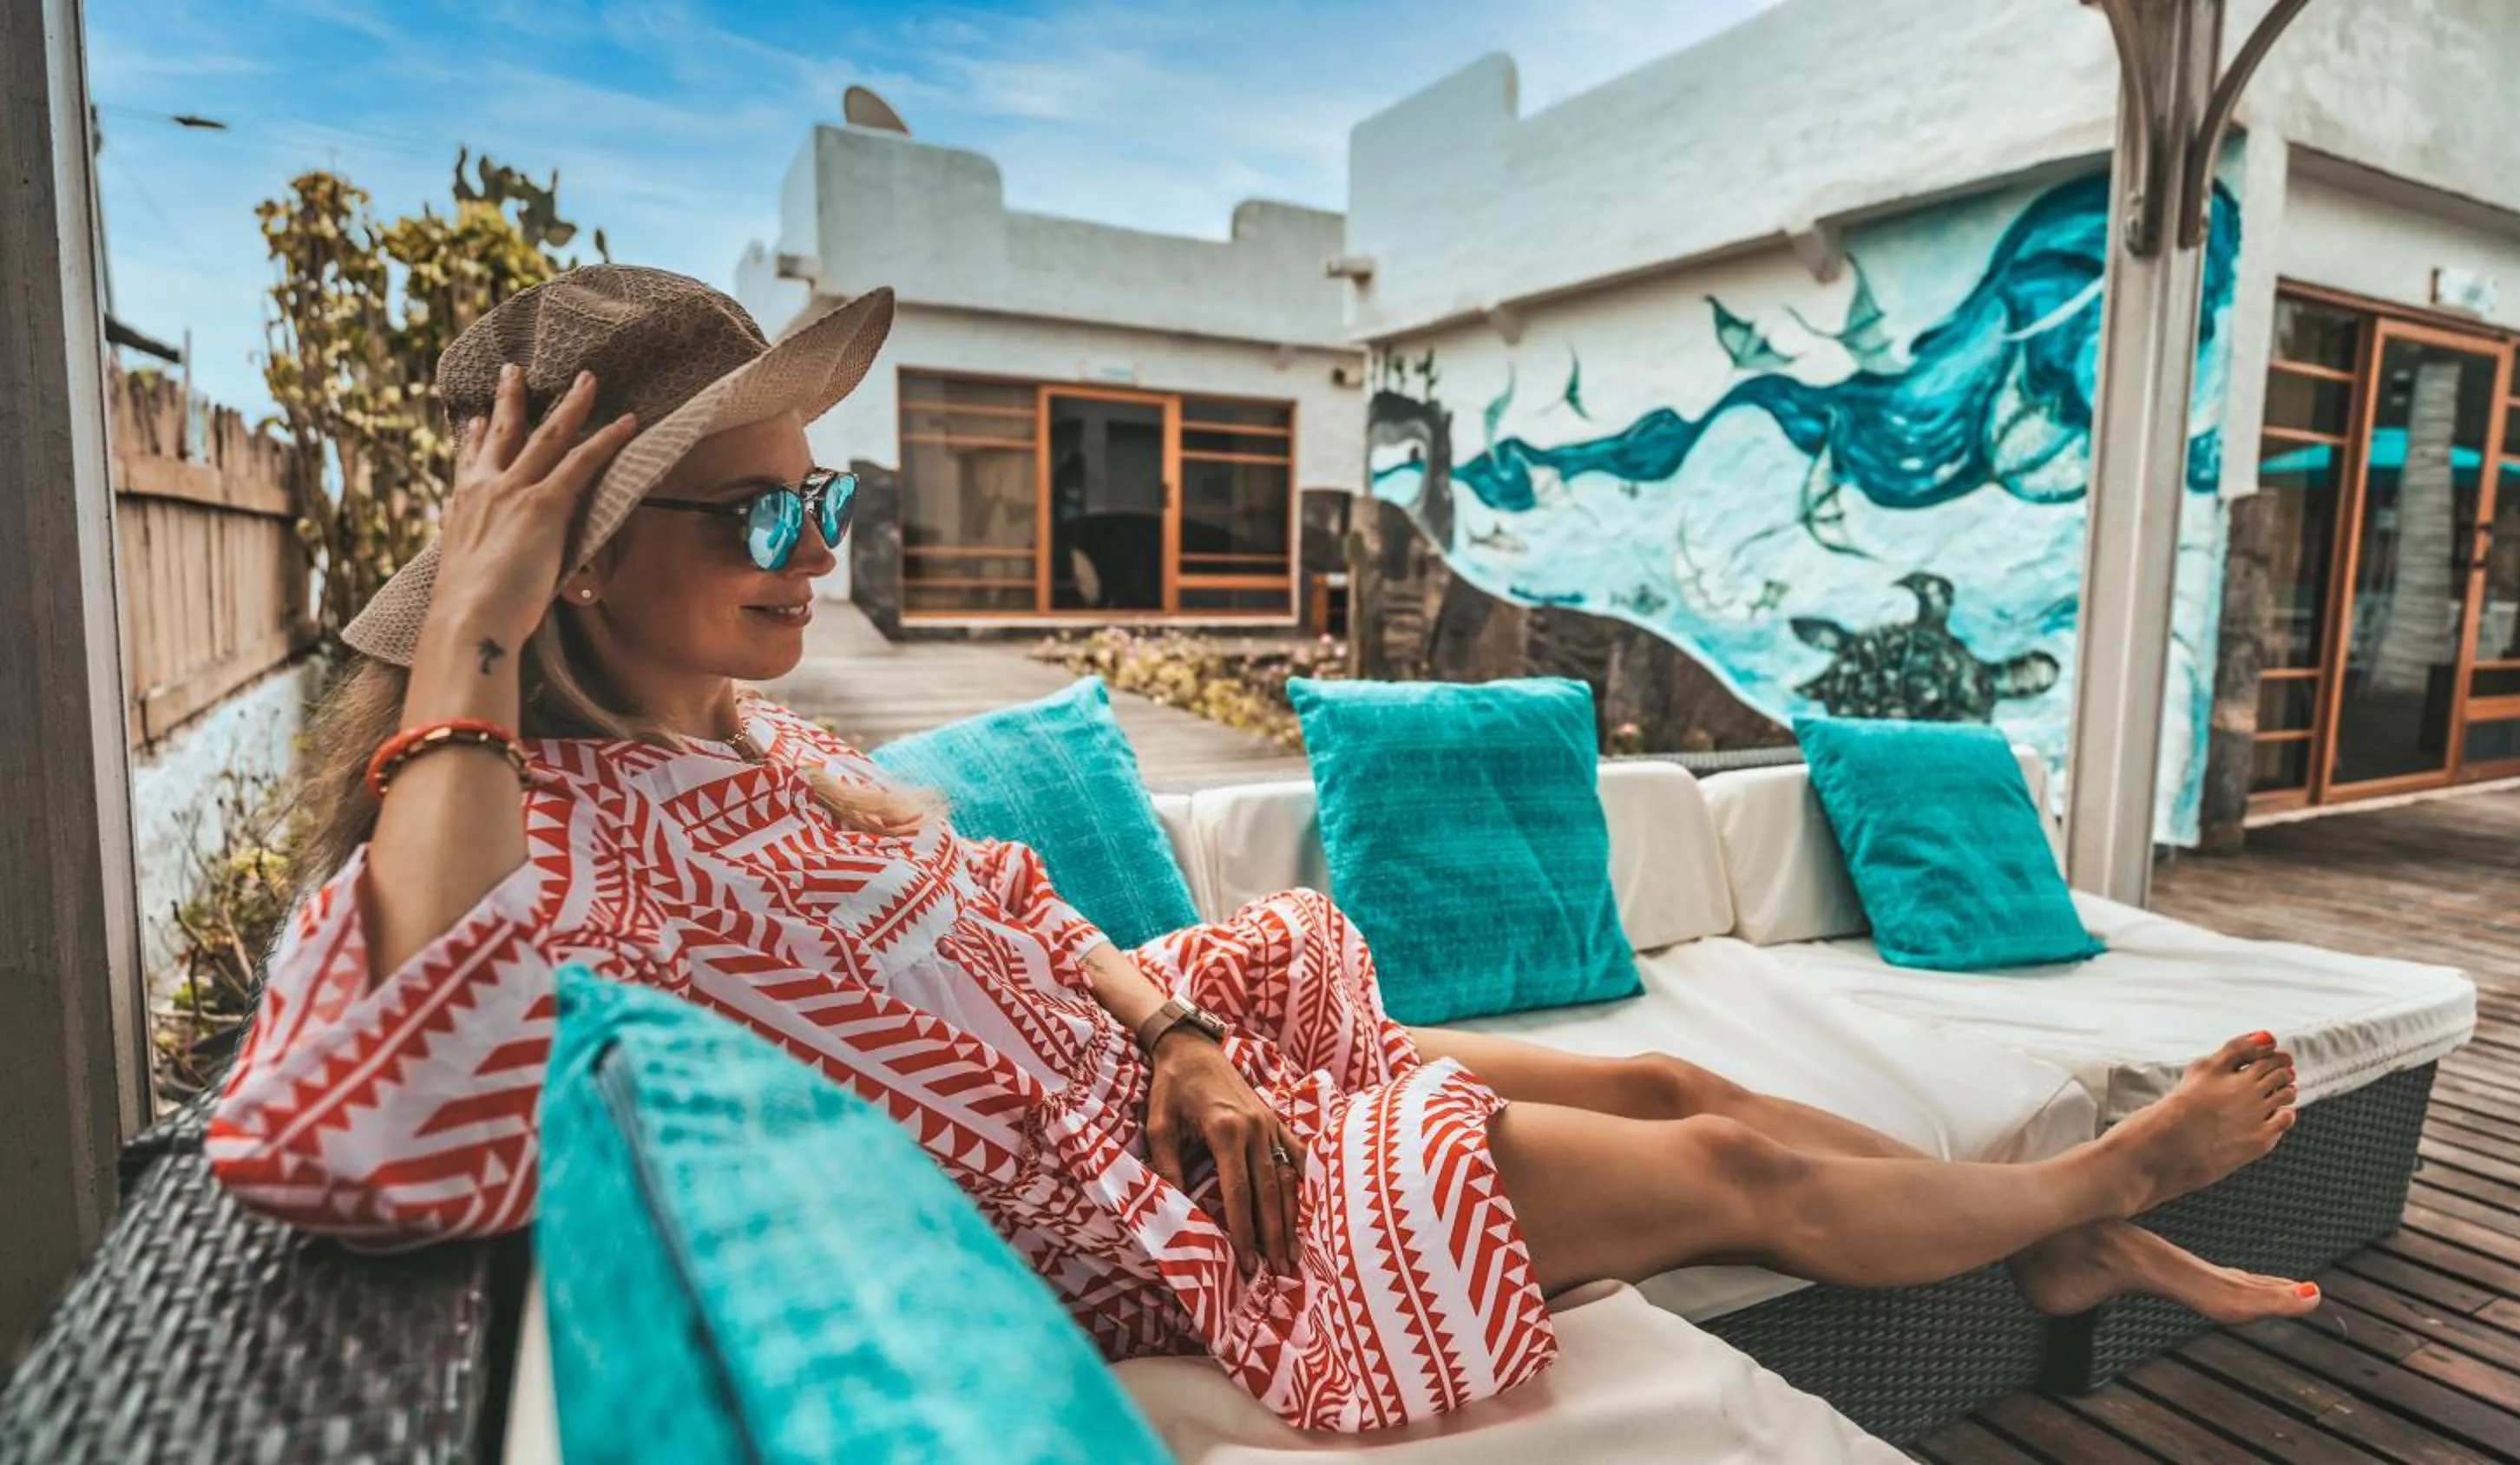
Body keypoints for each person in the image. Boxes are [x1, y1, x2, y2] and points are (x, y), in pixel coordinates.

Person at [211, 266, 2316, 1435]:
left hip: (1194, 1088)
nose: (816, 550)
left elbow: (1018, 906)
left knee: (1683, 1073)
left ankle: (2047, 1241)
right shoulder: (546, 853)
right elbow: (366, 1122)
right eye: (762, 514)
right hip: (1173, 1222)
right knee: (1728, 1169)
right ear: (575, 571)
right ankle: (2092, 1191)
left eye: (825, 500)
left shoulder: (764, 746)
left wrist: (1181, 1035)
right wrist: (463, 641)